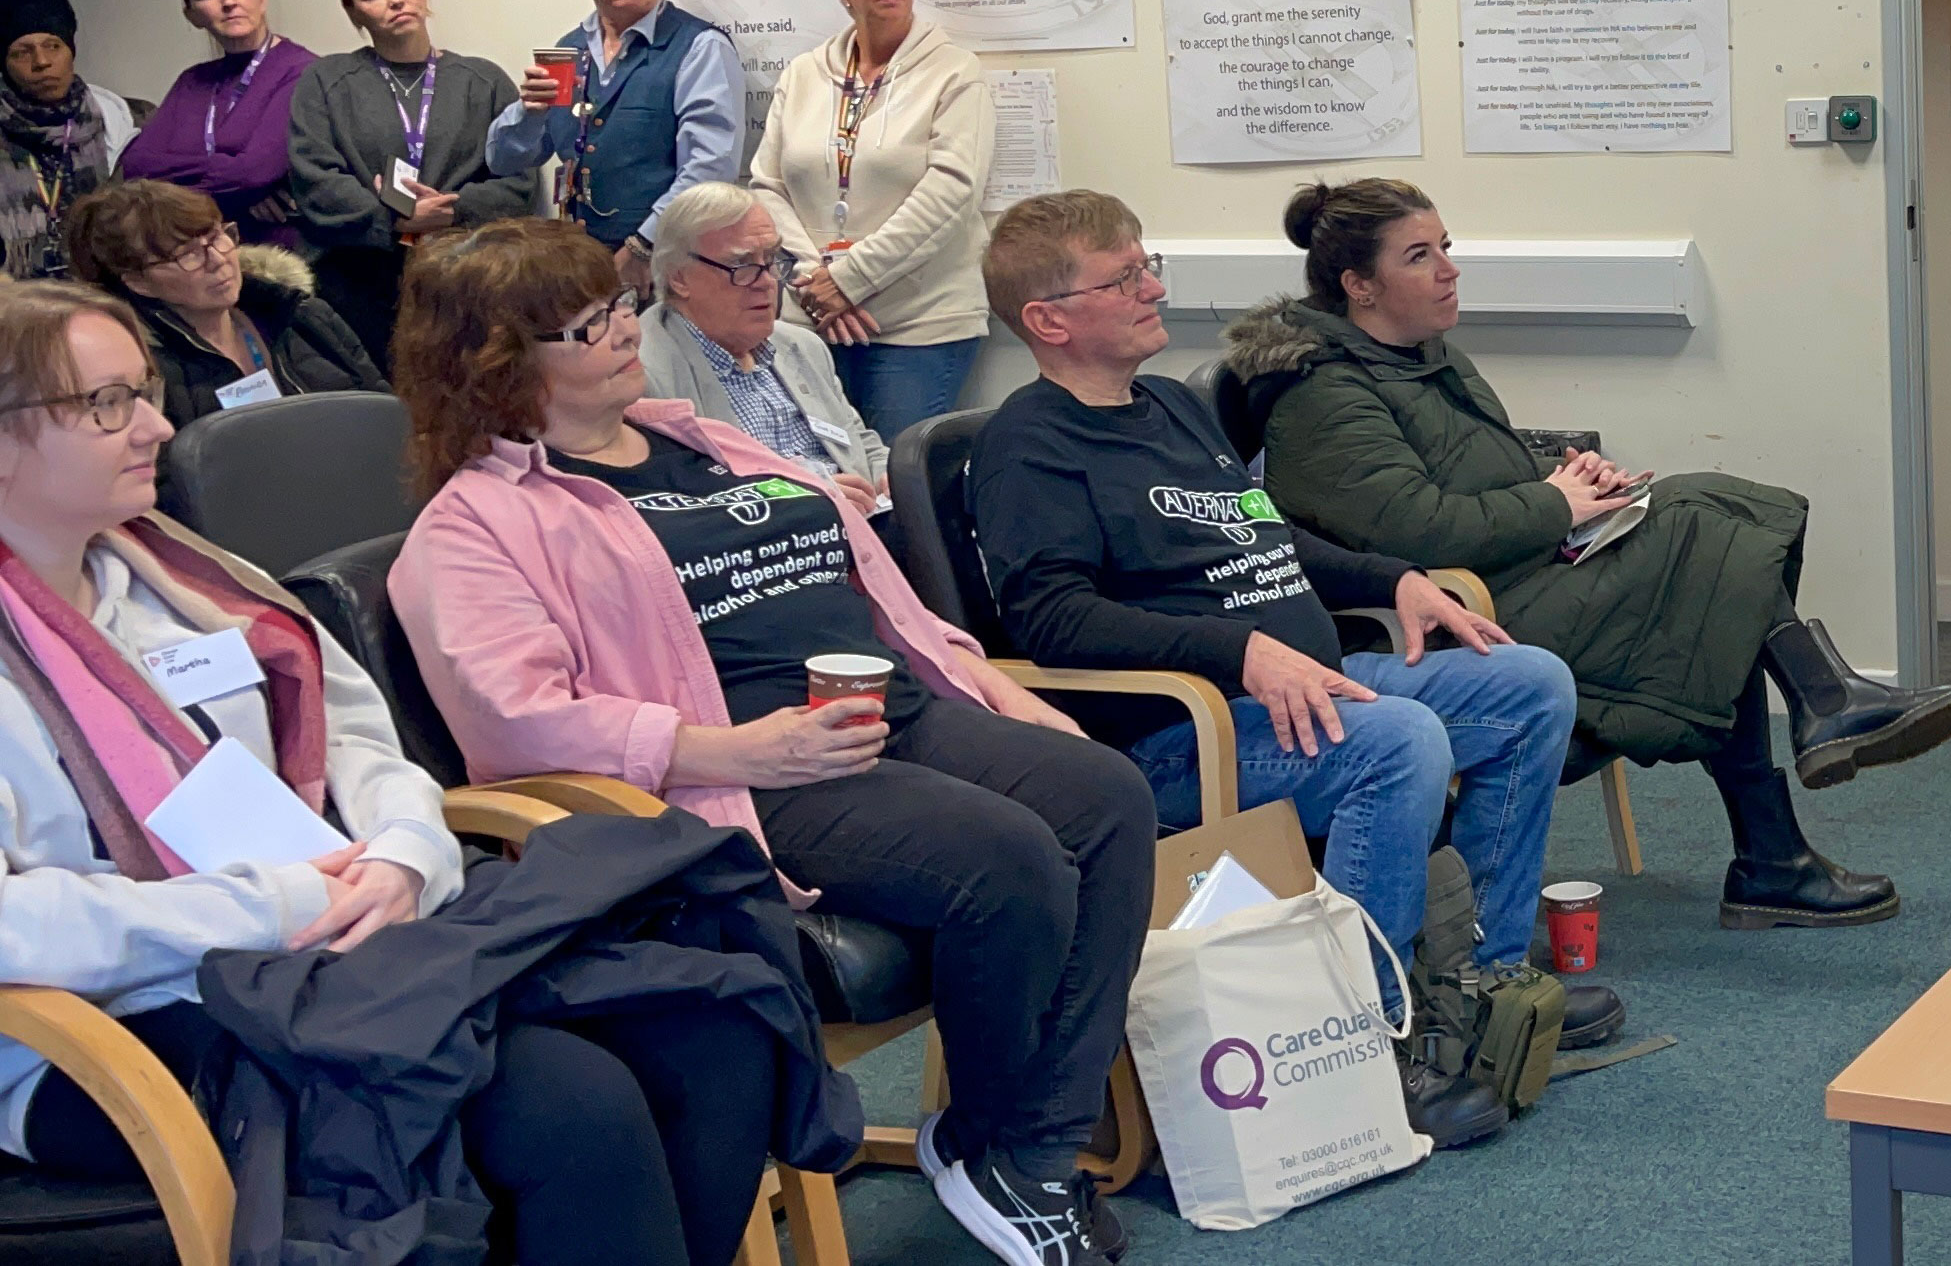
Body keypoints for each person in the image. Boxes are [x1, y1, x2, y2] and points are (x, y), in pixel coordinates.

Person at [388, 219, 1150, 1266]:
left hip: (884, 708)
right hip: (741, 769)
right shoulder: (475, 525)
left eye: (615, 307)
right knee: (1007, 857)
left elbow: (884, 602)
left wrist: (989, 690)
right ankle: (996, 1142)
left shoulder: (700, 437)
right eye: (584, 326)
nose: (622, 331)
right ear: (496, 366)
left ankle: (1030, 1150)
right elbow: (515, 718)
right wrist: (732, 752)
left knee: (1106, 793)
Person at [0, 281, 796, 1266]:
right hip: (109, 1025)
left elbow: (366, 748)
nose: (159, 425)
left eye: (146, 390)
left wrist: (409, 854)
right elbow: (15, 927)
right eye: (105, 404)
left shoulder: (183, 582)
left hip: (344, 945)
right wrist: (278, 902)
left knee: (708, 1031)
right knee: (567, 1110)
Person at [971, 192, 1612, 1150]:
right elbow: (1049, 620)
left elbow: (1271, 536)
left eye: (1150, 266)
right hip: (1183, 734)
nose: (1154, 288)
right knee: (1398, 744)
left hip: (1307, 689)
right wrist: (1233, 650)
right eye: (1126, 278)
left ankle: (1475, 986)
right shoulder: (1028, 444)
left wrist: (1394, 578)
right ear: (1049, 320)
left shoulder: (1174, 408)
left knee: (1527, 684)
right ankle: (1370, 1041)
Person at [1222, 179, 1951, 931]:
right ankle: (1798, 775)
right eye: (1419, 256)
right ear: (1359, 286)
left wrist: (1573, 480)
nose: (1449, 269)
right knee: (1710, 560)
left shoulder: (1422, 354)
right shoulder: (1319, 393)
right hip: (1461, 618)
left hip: (1524, 568)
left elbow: (1482, 469)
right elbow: (1417, 530)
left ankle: (1800, 778)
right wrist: (1556, 504)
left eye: (1445, 247)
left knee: (1713, 525)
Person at [749, 0, 992, 448]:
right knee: (818, 475)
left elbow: (952, 191)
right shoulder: (803, 74)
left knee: (899, 488)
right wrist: (820, 281)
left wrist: (851, 278)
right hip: (813, 317)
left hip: (919, 324)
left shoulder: (954, 71)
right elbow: (766, 185)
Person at [285, 0, 543, 368]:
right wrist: (396, 217)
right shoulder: (326, 81)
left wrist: (447, 212)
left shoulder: (483, 79)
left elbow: (516, 181)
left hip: (465, 277)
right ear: (355, 13)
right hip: (360, 279)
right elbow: (315, 176)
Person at [486, 0, 740, 293]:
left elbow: (709, 170)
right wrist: (529, 112)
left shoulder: (699, 48)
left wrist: (643, 248)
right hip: (580, 268)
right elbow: (503, 160)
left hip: (671, 269)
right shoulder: (568, 50)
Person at [60, 179, 381, 477]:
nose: (218, 259)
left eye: (216, 237)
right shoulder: (139, 371)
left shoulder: (302, 316)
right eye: (187, 255)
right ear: (139, 282)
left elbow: (384, 417)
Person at [639, 181, 889, 515]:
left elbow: (858, 440)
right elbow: (678, 499)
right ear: (679, 278)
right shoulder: (642, 372)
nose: (767, 281)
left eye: (771, 259)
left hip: (866, 527)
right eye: (742, 266)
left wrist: (890, 474)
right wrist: (804, 494)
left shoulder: (801, 345)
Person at [119, 0, 312, 250]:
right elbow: (137, 166)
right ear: (193, 15)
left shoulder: (302, 70)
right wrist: (240, 192)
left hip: (274, 256)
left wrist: (241, 183)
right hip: (194, 253)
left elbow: (253, 172)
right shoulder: (192, 81)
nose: (228, 1)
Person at [0, 0, 126, 280]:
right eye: (22, 52)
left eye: (53, 46)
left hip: (111, 293)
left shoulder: (123, 123)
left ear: (71, 50)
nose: (42, 62)